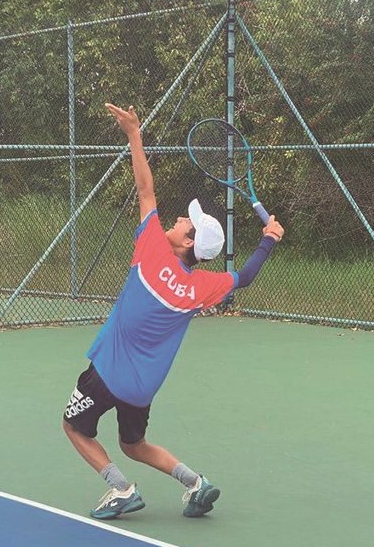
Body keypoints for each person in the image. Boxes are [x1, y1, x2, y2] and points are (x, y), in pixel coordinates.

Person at [62, 103, 284, 520]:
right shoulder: (202, 287)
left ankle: (120, 489)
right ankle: (195, 483)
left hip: (107, 372)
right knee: (134, 444)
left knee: (73, 427)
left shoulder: (152, 252)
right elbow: (247, 276)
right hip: (143, 388)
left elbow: (146, 190)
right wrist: (268, 238)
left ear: (186, 244)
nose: (181, 218)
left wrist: (134, 134)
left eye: (187, 223)